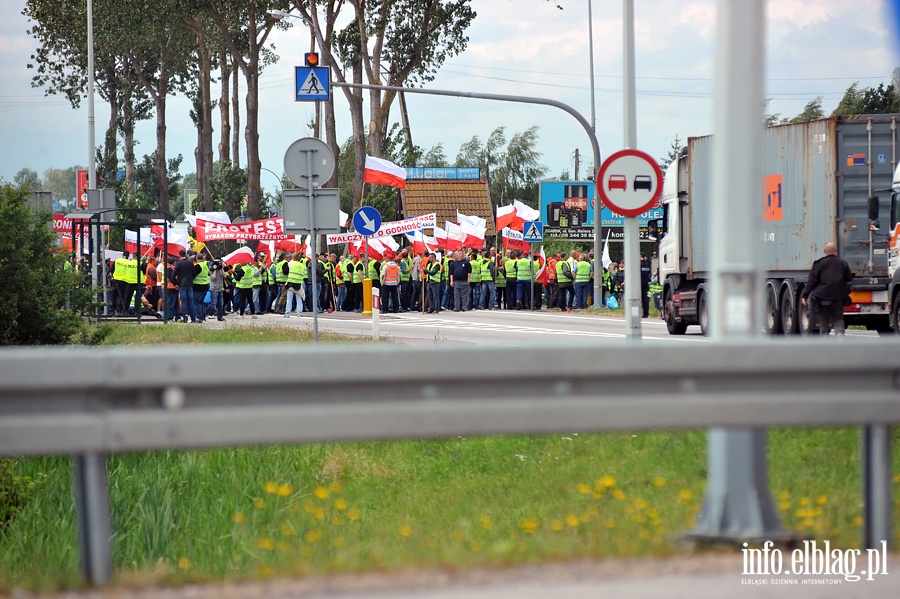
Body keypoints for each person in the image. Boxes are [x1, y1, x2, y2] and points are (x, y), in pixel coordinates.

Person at [801, 241, 853, 336]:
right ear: (836, 250)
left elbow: (812, 281)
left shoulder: (819, 263)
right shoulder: (843, 263)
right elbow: (849, 278)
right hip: (839, 296)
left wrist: (805, 295)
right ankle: (839, 333)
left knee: (823, 319)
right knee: (838, 318)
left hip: (822, 296)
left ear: (825, 251)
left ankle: (824, 338)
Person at [639, 252, 652, 318]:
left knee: (639, 298)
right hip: (645, 283)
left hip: (639, 283)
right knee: (645, 299)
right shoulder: (647, 264)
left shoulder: (639, 264)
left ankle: (639, 312)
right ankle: (646, 313)